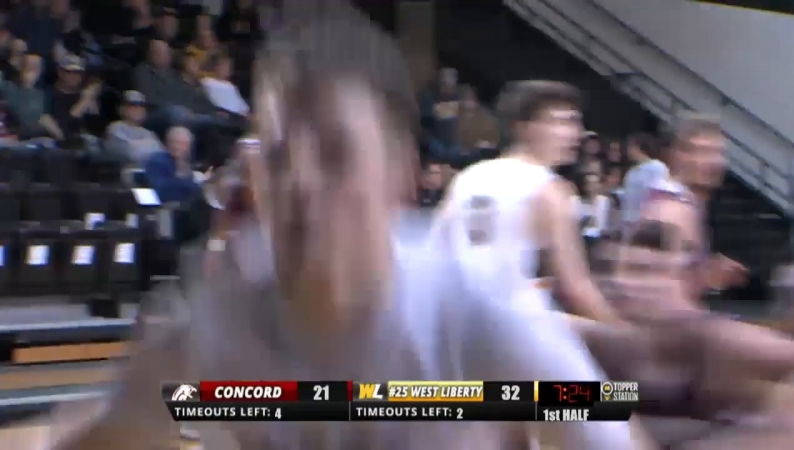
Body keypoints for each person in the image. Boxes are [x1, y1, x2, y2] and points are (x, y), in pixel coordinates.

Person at [47, 56, 638, 450]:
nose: (305, 181)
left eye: (335, 155)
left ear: (399, 179)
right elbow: (116, 429)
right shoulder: (221, 312)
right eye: (282, 158)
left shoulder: (481, 304)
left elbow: (599, 421)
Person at [612, 112, 794, 419]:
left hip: (672, 355)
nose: (711, 162)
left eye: (716, 152)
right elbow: (645, 303)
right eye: (697, 151)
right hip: (657, 366)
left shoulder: (683, 204)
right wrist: (707, 282)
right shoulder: (670, 211)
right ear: (673, 155)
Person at [432, 80, 622, 324]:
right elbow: (575, 287)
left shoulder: (469, 177)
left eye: (576, 122)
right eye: (561, 122)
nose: (576, 133)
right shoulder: (549, 189)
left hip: (452, 321)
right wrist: (625, 334)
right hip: (511, 327)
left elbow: (438, 252)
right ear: (523, 127)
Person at [620, 132, 668, 239]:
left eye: (630, 147)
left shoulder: (657, 167)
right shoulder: (631, 172)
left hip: (647, 223)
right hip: (628, 223)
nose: (628, 151)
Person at [144, 126, 201, 204]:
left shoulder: (185, 161)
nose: (178, 147)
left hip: (187, 204)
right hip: (166, 205)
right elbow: (161, 191)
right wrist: (191, 184)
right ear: (167, 143)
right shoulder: (157, 160)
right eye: (175, 142)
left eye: (184, 144)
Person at [105, 90, 163, 166]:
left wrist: (138, 145)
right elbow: (131, 153)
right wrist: (149, 144)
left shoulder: (148, 133)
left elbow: (161, 154)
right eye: (133, 105)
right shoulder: (115, 128)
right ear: (122, 109)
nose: (138, 109)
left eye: (141, 106)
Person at [201, 51, 249, 116]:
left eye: (229, 65)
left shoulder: (231, 86)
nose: (228, 68)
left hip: (238, 117)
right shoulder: (207, 82)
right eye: (224, 65)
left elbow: (244, 109)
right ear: (216, 66)